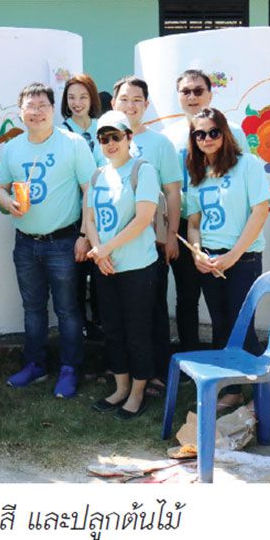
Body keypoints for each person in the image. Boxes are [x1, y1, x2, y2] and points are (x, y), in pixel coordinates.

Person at [0, 83, 96, 399]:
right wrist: (8, 202)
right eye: (30, 106)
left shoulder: (73, 144)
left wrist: (84, 235)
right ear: (20, 111)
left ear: (53, 110)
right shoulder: (12, 148)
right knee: (32, 308)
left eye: (43, 106)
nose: (36, 112)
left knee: (67, 310)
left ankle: (70, 369)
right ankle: (35, 364)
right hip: (25, 242)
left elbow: (90, 190)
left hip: (63, 241)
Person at [186, 107, 270, 412]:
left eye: (213, 132)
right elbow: (193, 223)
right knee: (221, 327)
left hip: (242, 260)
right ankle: (232, 390)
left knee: (242, 329)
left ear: (224, 133)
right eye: (199, 134)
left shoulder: (247, 164)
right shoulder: (197, 174)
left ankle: (263, 393)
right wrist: (197, 253)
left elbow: (260, 211)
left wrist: (233, 255)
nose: (206, 138)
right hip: (211, 262)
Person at [162, 69, 250, 353]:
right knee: (187, 296)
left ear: (210, 94)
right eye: (185, 91)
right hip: (186, 225)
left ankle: (228, 359)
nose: (192, 96)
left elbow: (246, 182)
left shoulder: (233, 131)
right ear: (178, 97)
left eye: (198, 90)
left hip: (223, 227)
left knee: (225, 302)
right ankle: (191, 357)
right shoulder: (168, 136)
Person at [85, 110, 160, 420]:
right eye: (103, 138)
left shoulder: (143, 170)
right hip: (105, 267)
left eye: (115, 136)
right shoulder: (97, 175)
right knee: (113, 330)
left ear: (129, 137)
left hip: (137, 267)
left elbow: (143, 219)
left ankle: (138, 393)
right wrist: (99, 252)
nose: (110, 143)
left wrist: (106, 248)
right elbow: (89, 219)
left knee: (137, 332)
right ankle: (120, 387)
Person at [112, 76, 181, 398]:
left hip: (152, 242)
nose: (130, 106)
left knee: (153, 309)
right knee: (118, 311)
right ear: (114, 104)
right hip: (114, 244)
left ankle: (156, 372)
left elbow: (173, 191)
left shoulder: (160, 144)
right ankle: (122, 371)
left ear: (147, 104)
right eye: (124, 99)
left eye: (136, 99)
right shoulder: (105, 141)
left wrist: (171, 235)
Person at [61, 74, 105, 339]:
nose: (77, 103)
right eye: (71, 97)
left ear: (92, 99)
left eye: (83, 97)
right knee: (75, 277)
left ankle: (101, 327)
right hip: (73, 216)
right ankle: (80, 332)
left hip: (104, 212)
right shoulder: (60, 133)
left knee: (101, 276)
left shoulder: (104, 128)